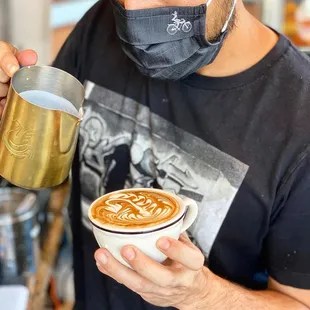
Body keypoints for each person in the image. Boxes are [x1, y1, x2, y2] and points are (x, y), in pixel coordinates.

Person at [0, 0, 310, 308]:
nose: (133, 10)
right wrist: (11, 115)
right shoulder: (99, 24)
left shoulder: (299, 120)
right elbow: (40, 157)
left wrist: (203, 295)